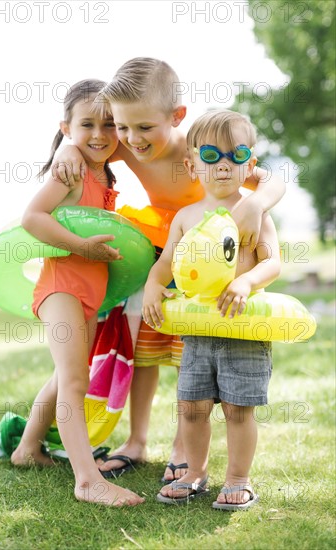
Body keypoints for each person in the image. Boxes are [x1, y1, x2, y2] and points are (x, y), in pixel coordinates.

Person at [52, 58, 285, 483]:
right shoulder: (125, 139)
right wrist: (68, 147)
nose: (130, 139)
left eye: (143, 128)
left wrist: (255, 202)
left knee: (186, 351)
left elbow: (273, 178)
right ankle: (136, 440)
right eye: (123, 127)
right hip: (159, 248)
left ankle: (183, 446)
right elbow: (91, 142)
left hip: (207, 252)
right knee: (144, 347)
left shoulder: (201, 150)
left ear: (176, 116)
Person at [10, 79, 144, 507]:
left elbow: (138, 141)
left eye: (110, 124)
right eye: (87, 124)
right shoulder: (69, 171)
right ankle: (87, 479)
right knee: (73, 379)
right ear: (66, 126)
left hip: (90, 291)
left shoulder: (102, 167)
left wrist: (76, 142)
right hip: (62, 287)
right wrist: (83, 247)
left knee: (63, 374)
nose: (100, 134)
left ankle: (28, 449)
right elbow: (33, 217)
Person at [142, 109, 281, 509]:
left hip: (242, 330)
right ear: (191, 164)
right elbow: (165, 264)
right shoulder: (186, 218)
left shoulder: (254, 212)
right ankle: (194, 471)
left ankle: (239, 477)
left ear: (250, 163)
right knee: (192, 407)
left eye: (236, 156)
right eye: (210, 155)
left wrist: (247, 280)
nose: (223, 165)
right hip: (198, 333)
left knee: (239, 409)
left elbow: (272, 262)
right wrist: (153, 285)